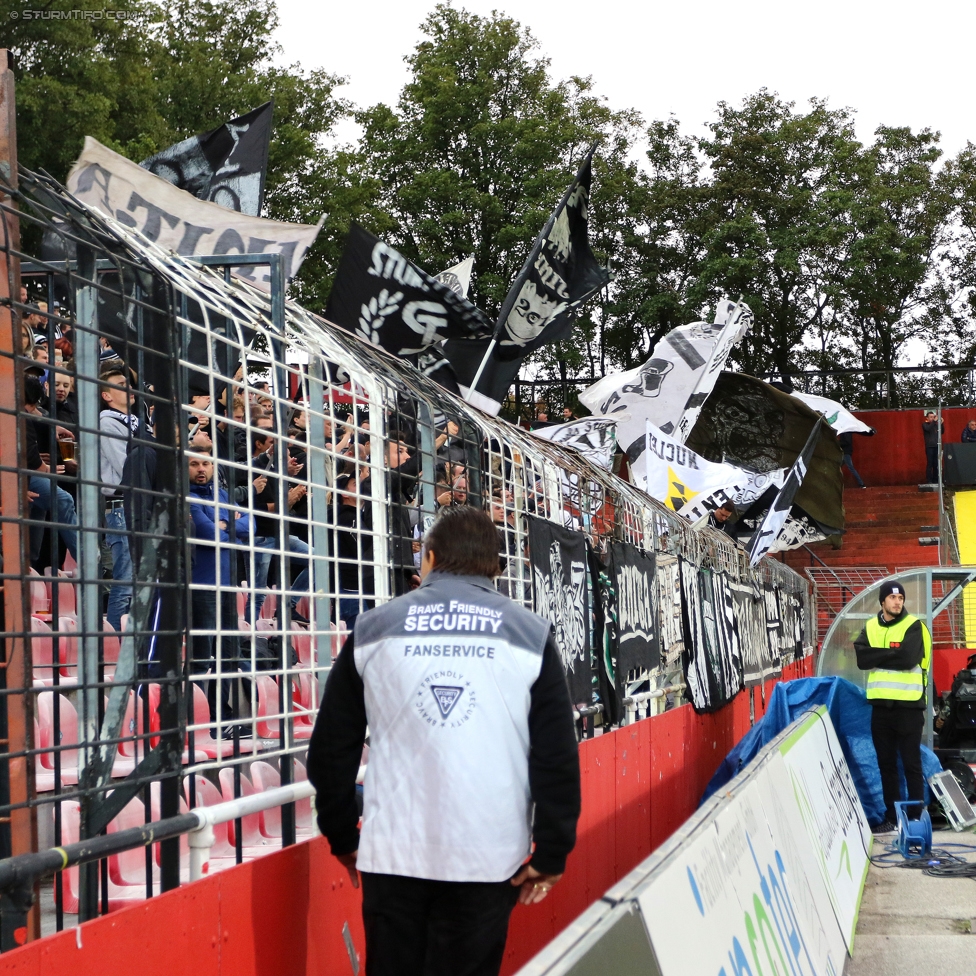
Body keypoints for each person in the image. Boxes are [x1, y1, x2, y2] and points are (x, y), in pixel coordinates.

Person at [307, 505, 581, 976]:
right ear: (497, 568)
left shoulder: (371, 630)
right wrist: (552, 852)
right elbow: (555, 755)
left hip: (393, 855)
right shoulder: (531, 635)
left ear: (428, 558)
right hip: (489, 858)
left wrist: (340, 834)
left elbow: (331, 748)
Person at [854, 580, 931, 833]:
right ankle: (892, 817)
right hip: (881, 710)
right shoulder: (870, 626)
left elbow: (908, 659)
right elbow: (862, 660)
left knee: (911, 764)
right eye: (893, 598)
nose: (898, 602)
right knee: (886, 765)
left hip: (909, 708)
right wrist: (891, 654)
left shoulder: (914, 626)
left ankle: (916, 818)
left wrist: (880, 653)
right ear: (882, 601)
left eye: (901, 598)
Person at [188, 449, 251, 731]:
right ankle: (200, 720)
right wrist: (229, 525)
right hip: (201, 584)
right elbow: (205, 532)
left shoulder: (223, 496)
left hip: (227, 585)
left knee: (229, 654)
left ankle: (221, 717)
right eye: (194, 464)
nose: (201, 469)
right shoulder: (187, 498)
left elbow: (251, 523)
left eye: (206, 463)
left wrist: (226, 526)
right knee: (201, 657)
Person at [99, 367, 139, 630]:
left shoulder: (138, 423)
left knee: (136, 583)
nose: (128, 387)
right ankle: (112, 645)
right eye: (120, 383)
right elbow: (126, 466)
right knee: (125, 582)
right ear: (107, 395)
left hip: (137, 505)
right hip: (121, 505)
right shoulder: (107, 423)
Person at [921, 411, 943, 484]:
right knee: (930, 464)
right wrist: (934, 421)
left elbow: (942, 431)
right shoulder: (925, 424)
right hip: (929, 447)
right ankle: (929, 480)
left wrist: (941, 423)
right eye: (931, 417)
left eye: (933, 417)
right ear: (927, 418)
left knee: (936, 464)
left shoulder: (936, 425)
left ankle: (935, 480)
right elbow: (928, 429)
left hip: (936, 446)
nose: (932, 418)